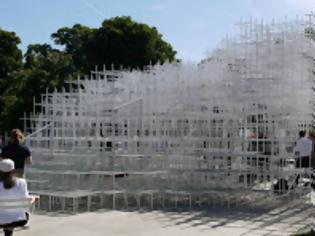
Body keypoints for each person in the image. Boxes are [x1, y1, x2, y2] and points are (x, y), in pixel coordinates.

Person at [0, 159, 30, 236]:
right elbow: (25, 200)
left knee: (4, 216)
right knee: (9, 216)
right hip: (19, 219)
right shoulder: (22, 182)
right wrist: (33, 199)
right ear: (13, 170)